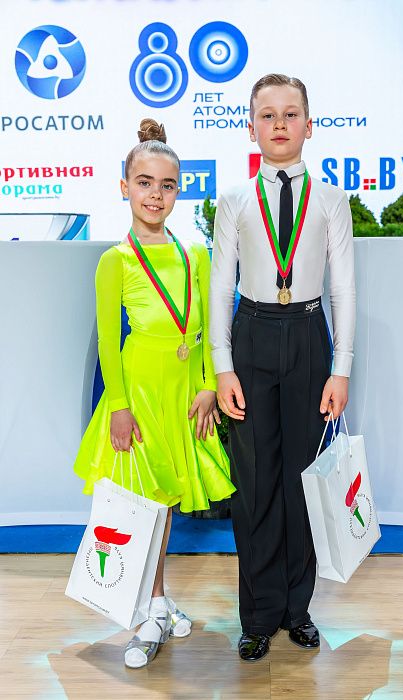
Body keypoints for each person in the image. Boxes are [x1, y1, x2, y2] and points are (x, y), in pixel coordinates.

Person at [74, 118, 235, 669]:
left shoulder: (196, 255)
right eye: (144, 183)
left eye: (166, 185)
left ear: (179, 191)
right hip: (139, 395)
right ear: (124, 187)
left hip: (185, 395)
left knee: (165, 501)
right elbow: (108, 341)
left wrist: (209, 386)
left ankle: (158, 603)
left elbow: (210, 329)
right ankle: (148, 612)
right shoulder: (115, 261)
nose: (155, 195)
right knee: (141, 503)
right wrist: (118, 406)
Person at [210, 74, 355, 662]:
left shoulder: (332, 201)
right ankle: (258, 614)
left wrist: (341, 368)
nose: (279, 124)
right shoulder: (234, 201)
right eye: (267, 115)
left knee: (303, 480)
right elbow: (220, 286)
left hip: (309, 337)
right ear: (251, 128)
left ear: (308, 125)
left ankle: (298, 609)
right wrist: (222, 366)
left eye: (290, 114)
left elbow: (344, 287)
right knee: (255, 483)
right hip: (251, 336)